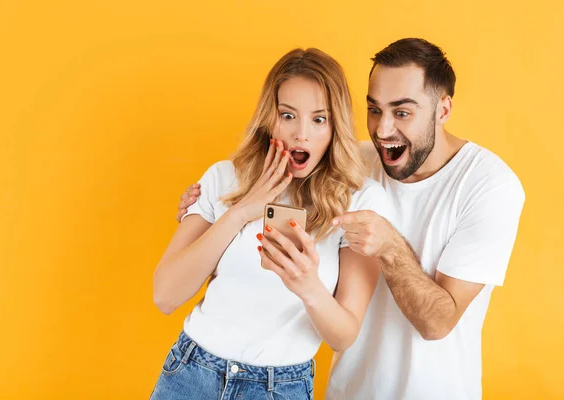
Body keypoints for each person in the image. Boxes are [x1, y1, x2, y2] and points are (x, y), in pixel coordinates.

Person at [177, 38, 525, 400]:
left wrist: (389, 246)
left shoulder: (489, 186)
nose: (383, 130)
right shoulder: (354, 164)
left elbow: (438, 323)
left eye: (402, 112)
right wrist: (206, 210)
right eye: (374, 110)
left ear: (443, 109)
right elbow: (261, 192)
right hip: (348, 389)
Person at [152, 48, 393, 400]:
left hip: (279, 388)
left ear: (335, 126)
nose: (301, 135)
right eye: (288, 115)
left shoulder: (360, 202)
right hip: (191, 374)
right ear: (270, 117)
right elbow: (165, 296)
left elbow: (343, 335)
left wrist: (308, 285)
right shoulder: (224, 178)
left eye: (319, 119)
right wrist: (240, 212)